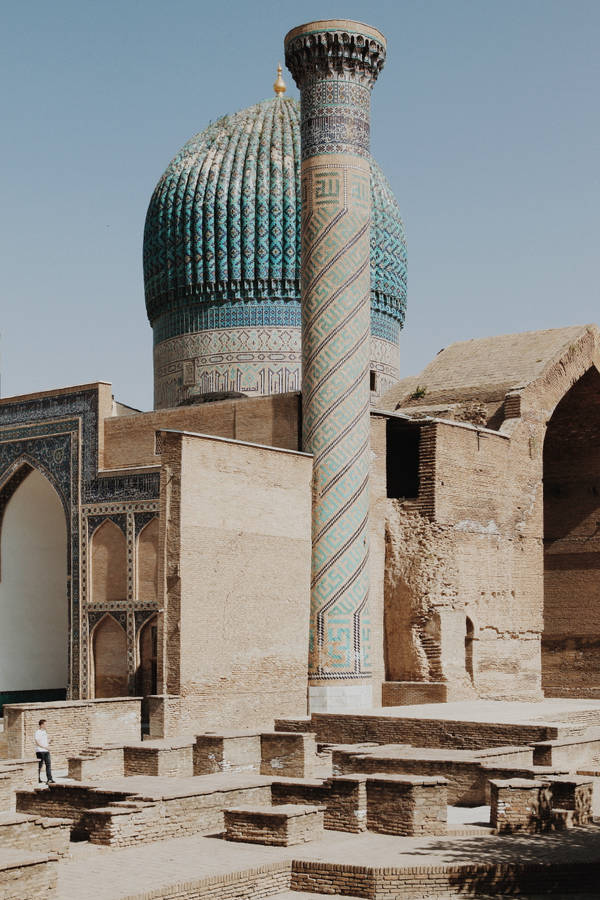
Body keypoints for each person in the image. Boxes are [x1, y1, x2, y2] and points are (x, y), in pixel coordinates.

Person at [34, 719, 55, 784]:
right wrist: (45, 747)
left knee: (48, 764)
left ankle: (49, 779)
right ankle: (37, 778)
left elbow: (45, 742)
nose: (46, 726)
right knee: (40, 765)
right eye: (45, 724)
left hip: (46, 751)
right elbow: (37, 742)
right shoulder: (37, 732)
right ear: (42, 725)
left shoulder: (45, 732)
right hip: (40, 751)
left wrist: (50, 742)